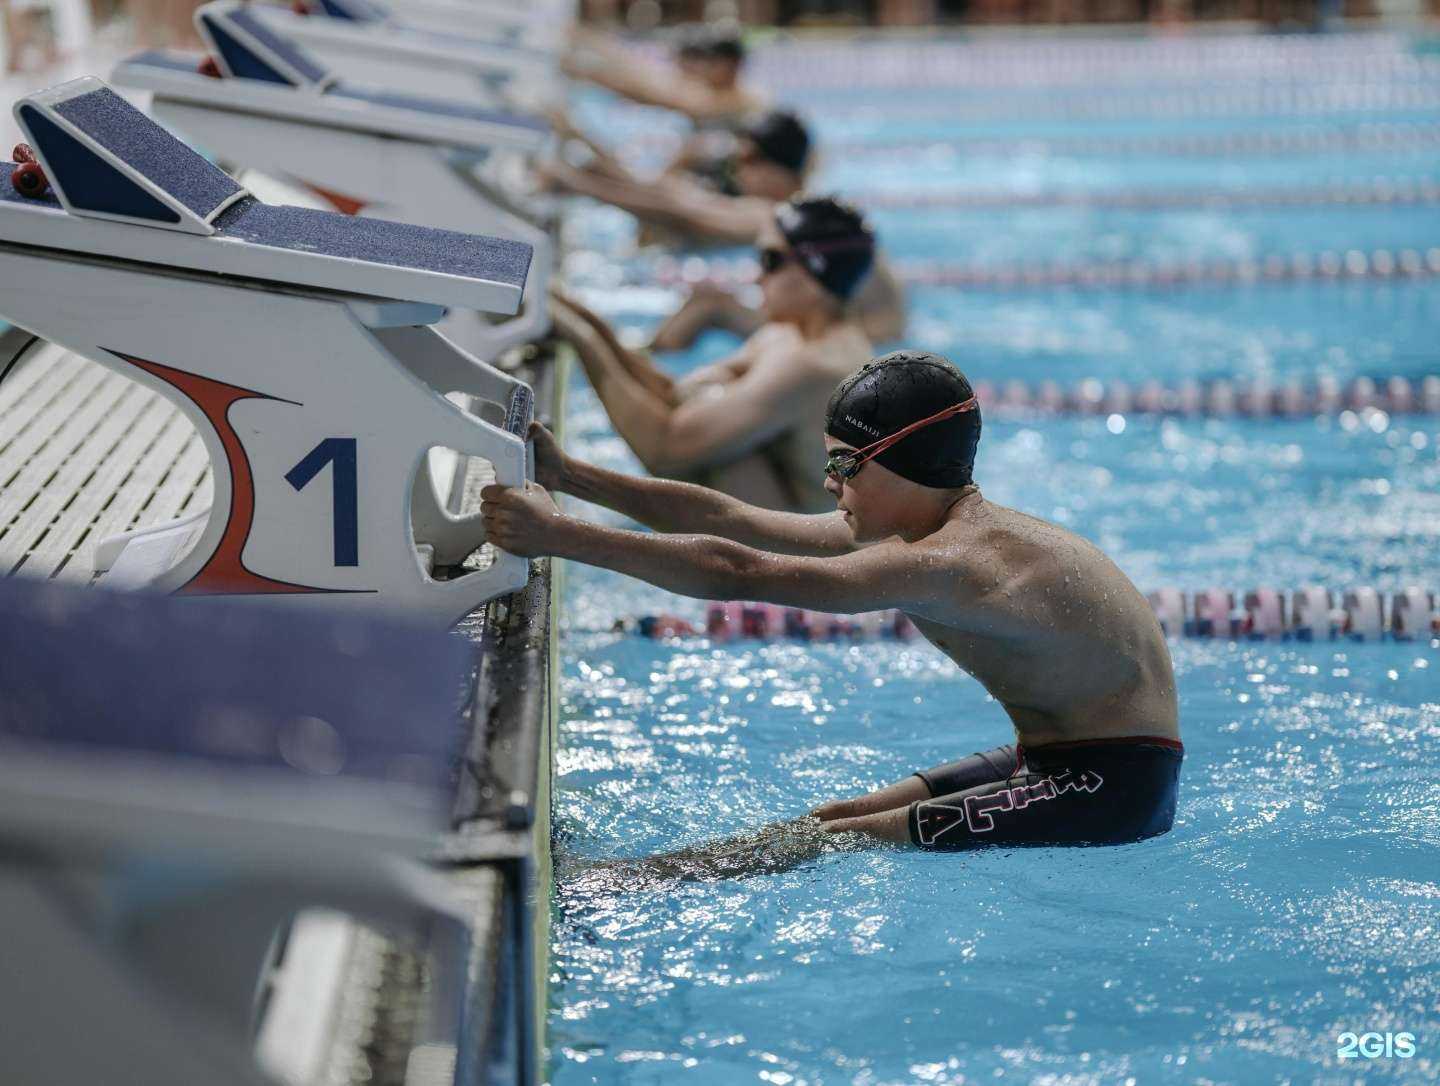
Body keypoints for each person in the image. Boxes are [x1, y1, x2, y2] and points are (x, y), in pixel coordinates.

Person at [482, 350, 1182, 878]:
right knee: (833, 820)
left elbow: (738, 571)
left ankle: (614, 885)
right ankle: (617, 878)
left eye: (845, 465)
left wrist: (560, 536)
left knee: (830, 840)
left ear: (902, 464)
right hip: (1055, 754)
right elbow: (728, 518)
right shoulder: (919, 531)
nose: (828, 483)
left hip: (1110, 789)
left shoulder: (957, 561)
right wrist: (569, 476)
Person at [550, 196, 875, 513]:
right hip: (756, 538)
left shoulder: (814, 366)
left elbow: (664, 448)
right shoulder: (789, 332)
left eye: (770, 260)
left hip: (790, 560)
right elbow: (673, 395)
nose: (757, 275)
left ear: (815, 271)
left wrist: (581, 338)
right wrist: (584, 319)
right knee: (708, 413)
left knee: (727, 455)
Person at [544, 110, 907, 344]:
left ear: (777, 169)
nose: (738, 171)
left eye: (747, 161)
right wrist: (583, 150)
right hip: (856, 333)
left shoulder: (787, 218)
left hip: (865, 342)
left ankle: (631, 360)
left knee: (709, 304)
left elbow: (685, 214)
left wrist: (577, 184)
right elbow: (670, 196)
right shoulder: (806, 213)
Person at [563, 23, 765, 130]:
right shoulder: (719, 92)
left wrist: (590, 74)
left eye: (709, 62)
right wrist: (595, 43)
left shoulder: (742, 101)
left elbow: (654, 95)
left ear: (731, 64)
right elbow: (646, 75)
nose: (701, 68)